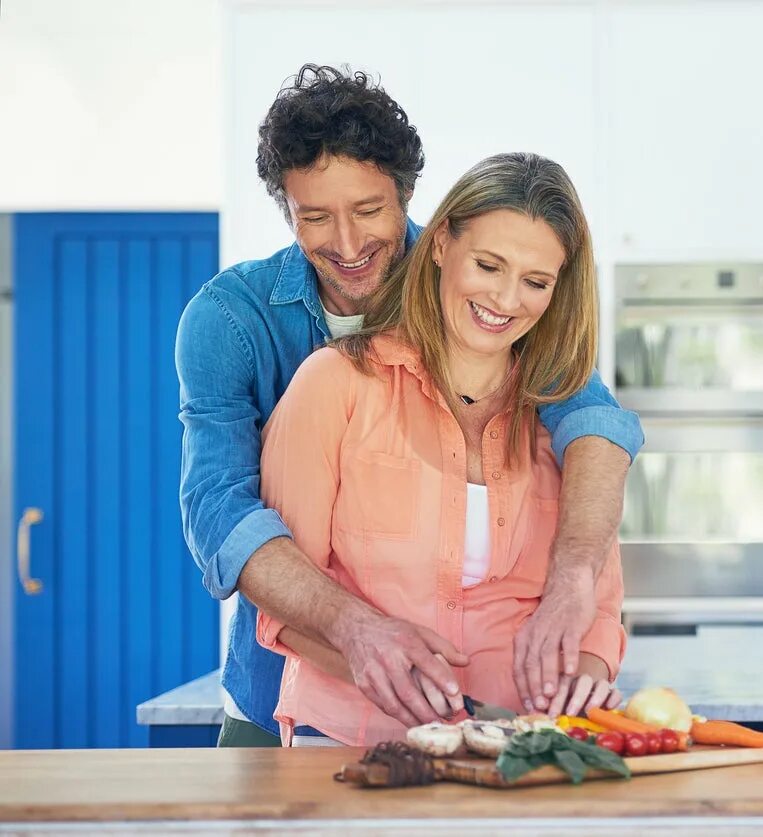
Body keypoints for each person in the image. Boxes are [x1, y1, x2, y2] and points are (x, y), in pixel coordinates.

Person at [175, 65, 642, 747]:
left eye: (368, 211)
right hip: (291, 692)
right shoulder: (232, 321)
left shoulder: (474, 274)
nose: (348, 242)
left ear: (410, 199)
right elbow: (219, 508)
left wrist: (575, 586)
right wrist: (352, 624)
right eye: (315, 217)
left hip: (483, 736)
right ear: (286, 211)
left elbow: (590, 417)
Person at [256, 152, 625, 746]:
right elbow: (282, 600)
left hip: (522, 753)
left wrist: (584, 682)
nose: (506, 299)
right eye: (488, 265)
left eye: (536, 282)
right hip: (356, 745)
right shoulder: (335, 386)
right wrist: (383, 669)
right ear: (438, 243)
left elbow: (599, 611)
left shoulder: (570, 434)